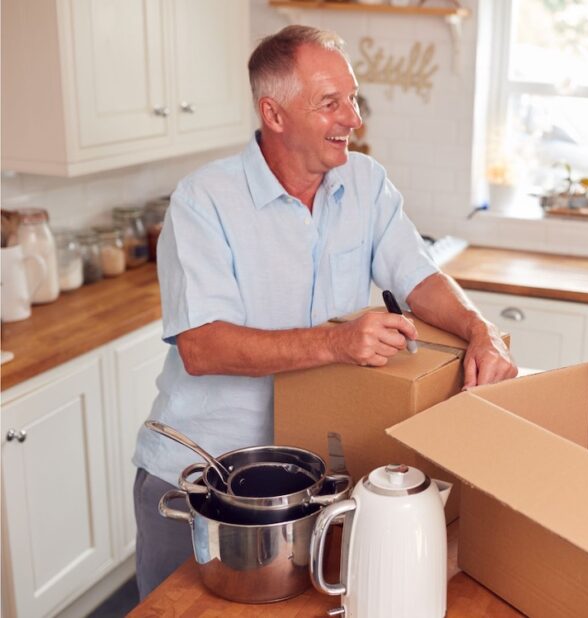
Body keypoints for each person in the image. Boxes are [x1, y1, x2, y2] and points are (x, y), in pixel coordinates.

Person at [131, 25, 517, 598]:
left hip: (314, 485)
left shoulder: (365, 183)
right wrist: (336, 342)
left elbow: (419, 277)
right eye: (330, 103)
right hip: (207, 483)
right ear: (275, 113)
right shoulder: (202, 202)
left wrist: (481, 331)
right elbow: (202, 347)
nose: (353, 118)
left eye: (352, 98)